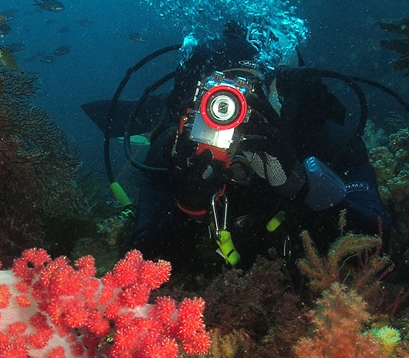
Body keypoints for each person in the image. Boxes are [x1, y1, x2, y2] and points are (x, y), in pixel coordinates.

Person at [127, 23, 390, 270]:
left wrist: (299, 188)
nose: (233, 108)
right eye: (220, 96)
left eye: (252, 91)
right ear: (199, 99)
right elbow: (141, 263)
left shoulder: (325, 141)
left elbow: (378, 245)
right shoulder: (175, 150)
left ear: (279, 93)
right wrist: (188, 207)